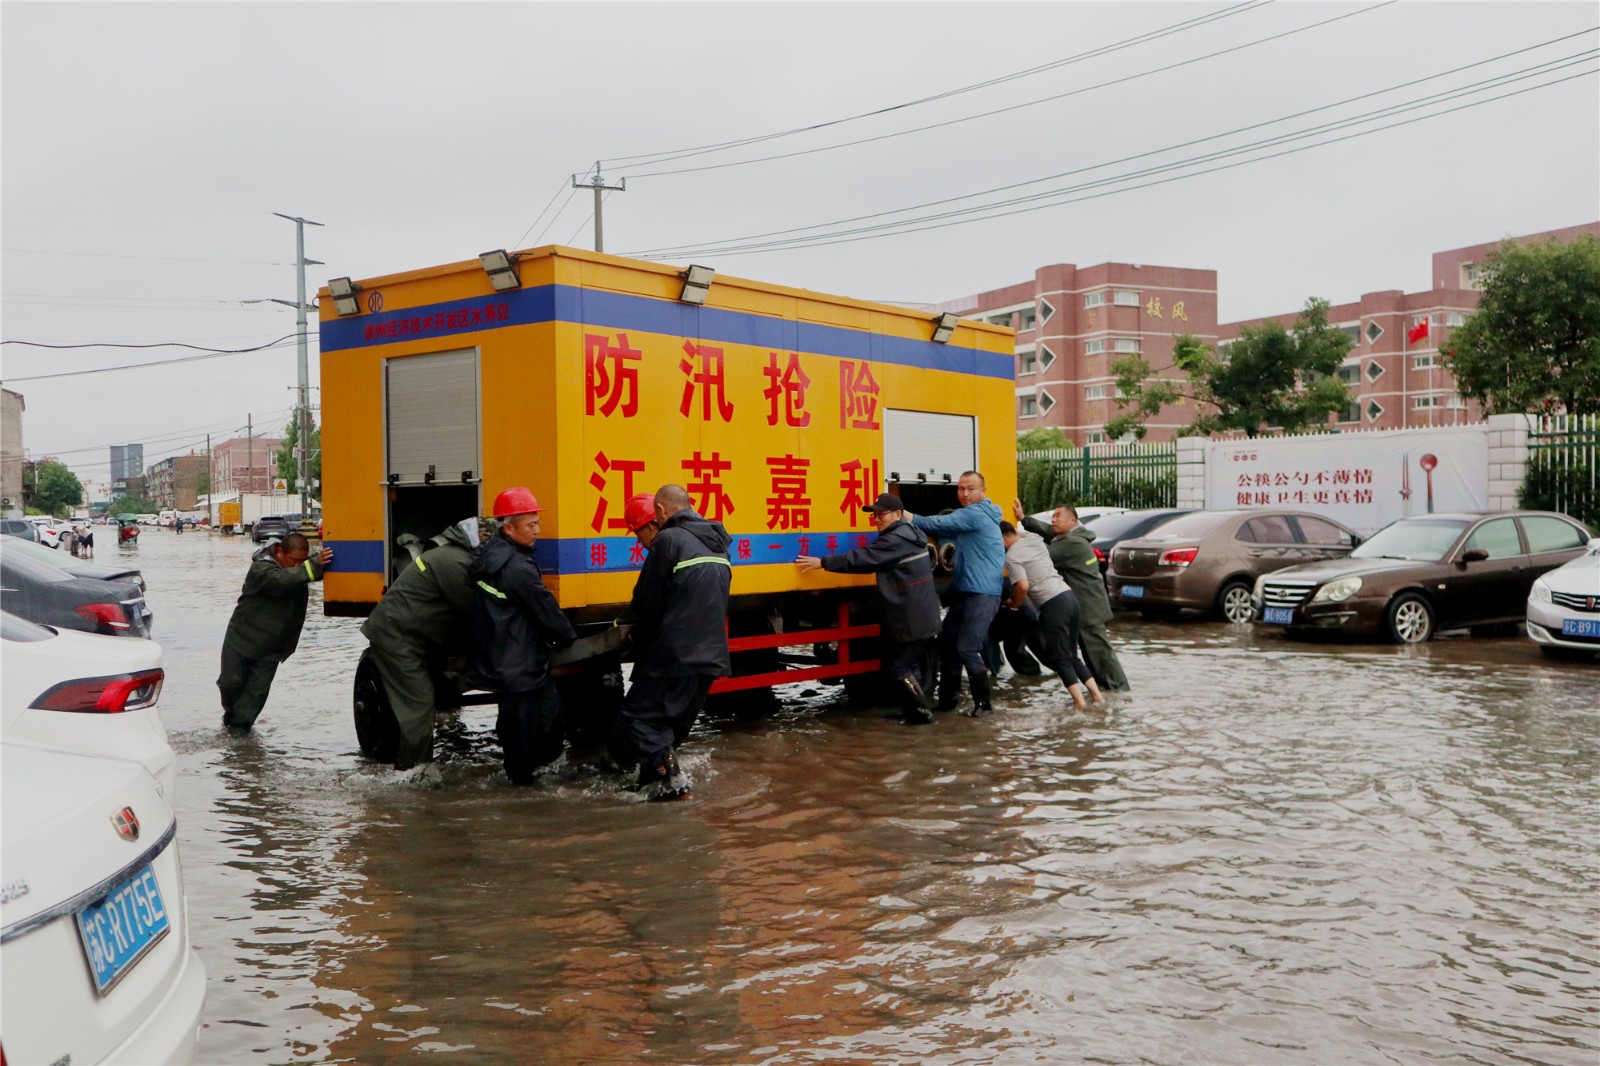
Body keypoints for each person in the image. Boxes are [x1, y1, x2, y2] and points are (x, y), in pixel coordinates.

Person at [617, 484, 732, 800]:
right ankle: (651, 784)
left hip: (676, 655)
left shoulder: (667, 540)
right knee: (666, 726)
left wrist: (631, 633)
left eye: (639, 534)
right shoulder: (718, 542)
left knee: (638, 718)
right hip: (711, 656)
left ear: (659, 515)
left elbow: (647, 602)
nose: (640, 542)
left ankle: (676, 787)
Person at [796, 492, 940, 725]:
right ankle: (915, 711)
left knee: (898, 669)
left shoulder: (896, 539)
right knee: (905, 666)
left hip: (912, 617)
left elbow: (864, 558)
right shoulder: (911, 533)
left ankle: (921, 715)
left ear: (898, 514)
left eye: (881, 514)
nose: (877, 519)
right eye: (874, 515)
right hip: (919, 614)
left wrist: (822, 562)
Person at [467, 487, 579, 784]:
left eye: (537, 523)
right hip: (520, 661)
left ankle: (519, 781)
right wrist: (569, 639)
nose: (538, 531)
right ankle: (532, 788)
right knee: (543, 720)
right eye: (531, 525)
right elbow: (546, 611)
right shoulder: (517, 567)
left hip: (502, 657)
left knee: (515, 722)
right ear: (509, 527)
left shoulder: (489, 553)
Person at [359, 516, 479, 770]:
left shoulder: (453, 555)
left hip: (407, 633)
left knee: (420, 704)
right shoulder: (456, 562)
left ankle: (415, 771)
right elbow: (473, 610)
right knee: (420, 708)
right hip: (398, 637)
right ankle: (413, 775)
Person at [911, 471, 1005, 718]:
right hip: (966, 593)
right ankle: (947, 702)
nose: (964, 494)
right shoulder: (978, 514)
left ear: (983, 491)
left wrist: (905, 515)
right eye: (961, 488)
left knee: (966, 648)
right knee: (946, 644)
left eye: (971, 488)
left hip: (982, 594)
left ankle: (984, 706)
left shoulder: (975, 514)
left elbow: (937, 524)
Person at [218, 532, 333, 734]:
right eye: (294, 561)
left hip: (273, 644)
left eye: (302, 561)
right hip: (241, 637)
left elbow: (313, 568)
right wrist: (312, 565)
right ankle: (231, 715)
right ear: (279, 552)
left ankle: (239, 736)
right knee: (231, 682)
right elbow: (281, 579)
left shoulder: (300, 568)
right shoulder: (261, 568)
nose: (298, 565)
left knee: (257, 693)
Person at [1015, 499, 1129, 692]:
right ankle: (1104, 691)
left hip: (1089, 609)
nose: (1053, 520)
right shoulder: (1073, 536)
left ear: (1072, 521)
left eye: (1058, 516)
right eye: (1052, 516)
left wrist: (1014, 541)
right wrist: (1025, 519)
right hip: (1087, 607)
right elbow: (1048, 531)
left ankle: (1119, 692)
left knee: (1099, 654)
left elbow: (1041, 556)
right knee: (1090, 653)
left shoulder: (1072, 543)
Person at [1000, 521, 1105, 711]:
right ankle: (1097, 698)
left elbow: (1022, 587)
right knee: (1072, 655)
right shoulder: (1034, 539)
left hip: (1052, 605)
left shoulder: (1012, 556)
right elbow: (1019, 533)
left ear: (1003, 538)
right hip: (1069, 597)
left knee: (1059, 657)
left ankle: (1079, 704)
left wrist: (1014, 606)